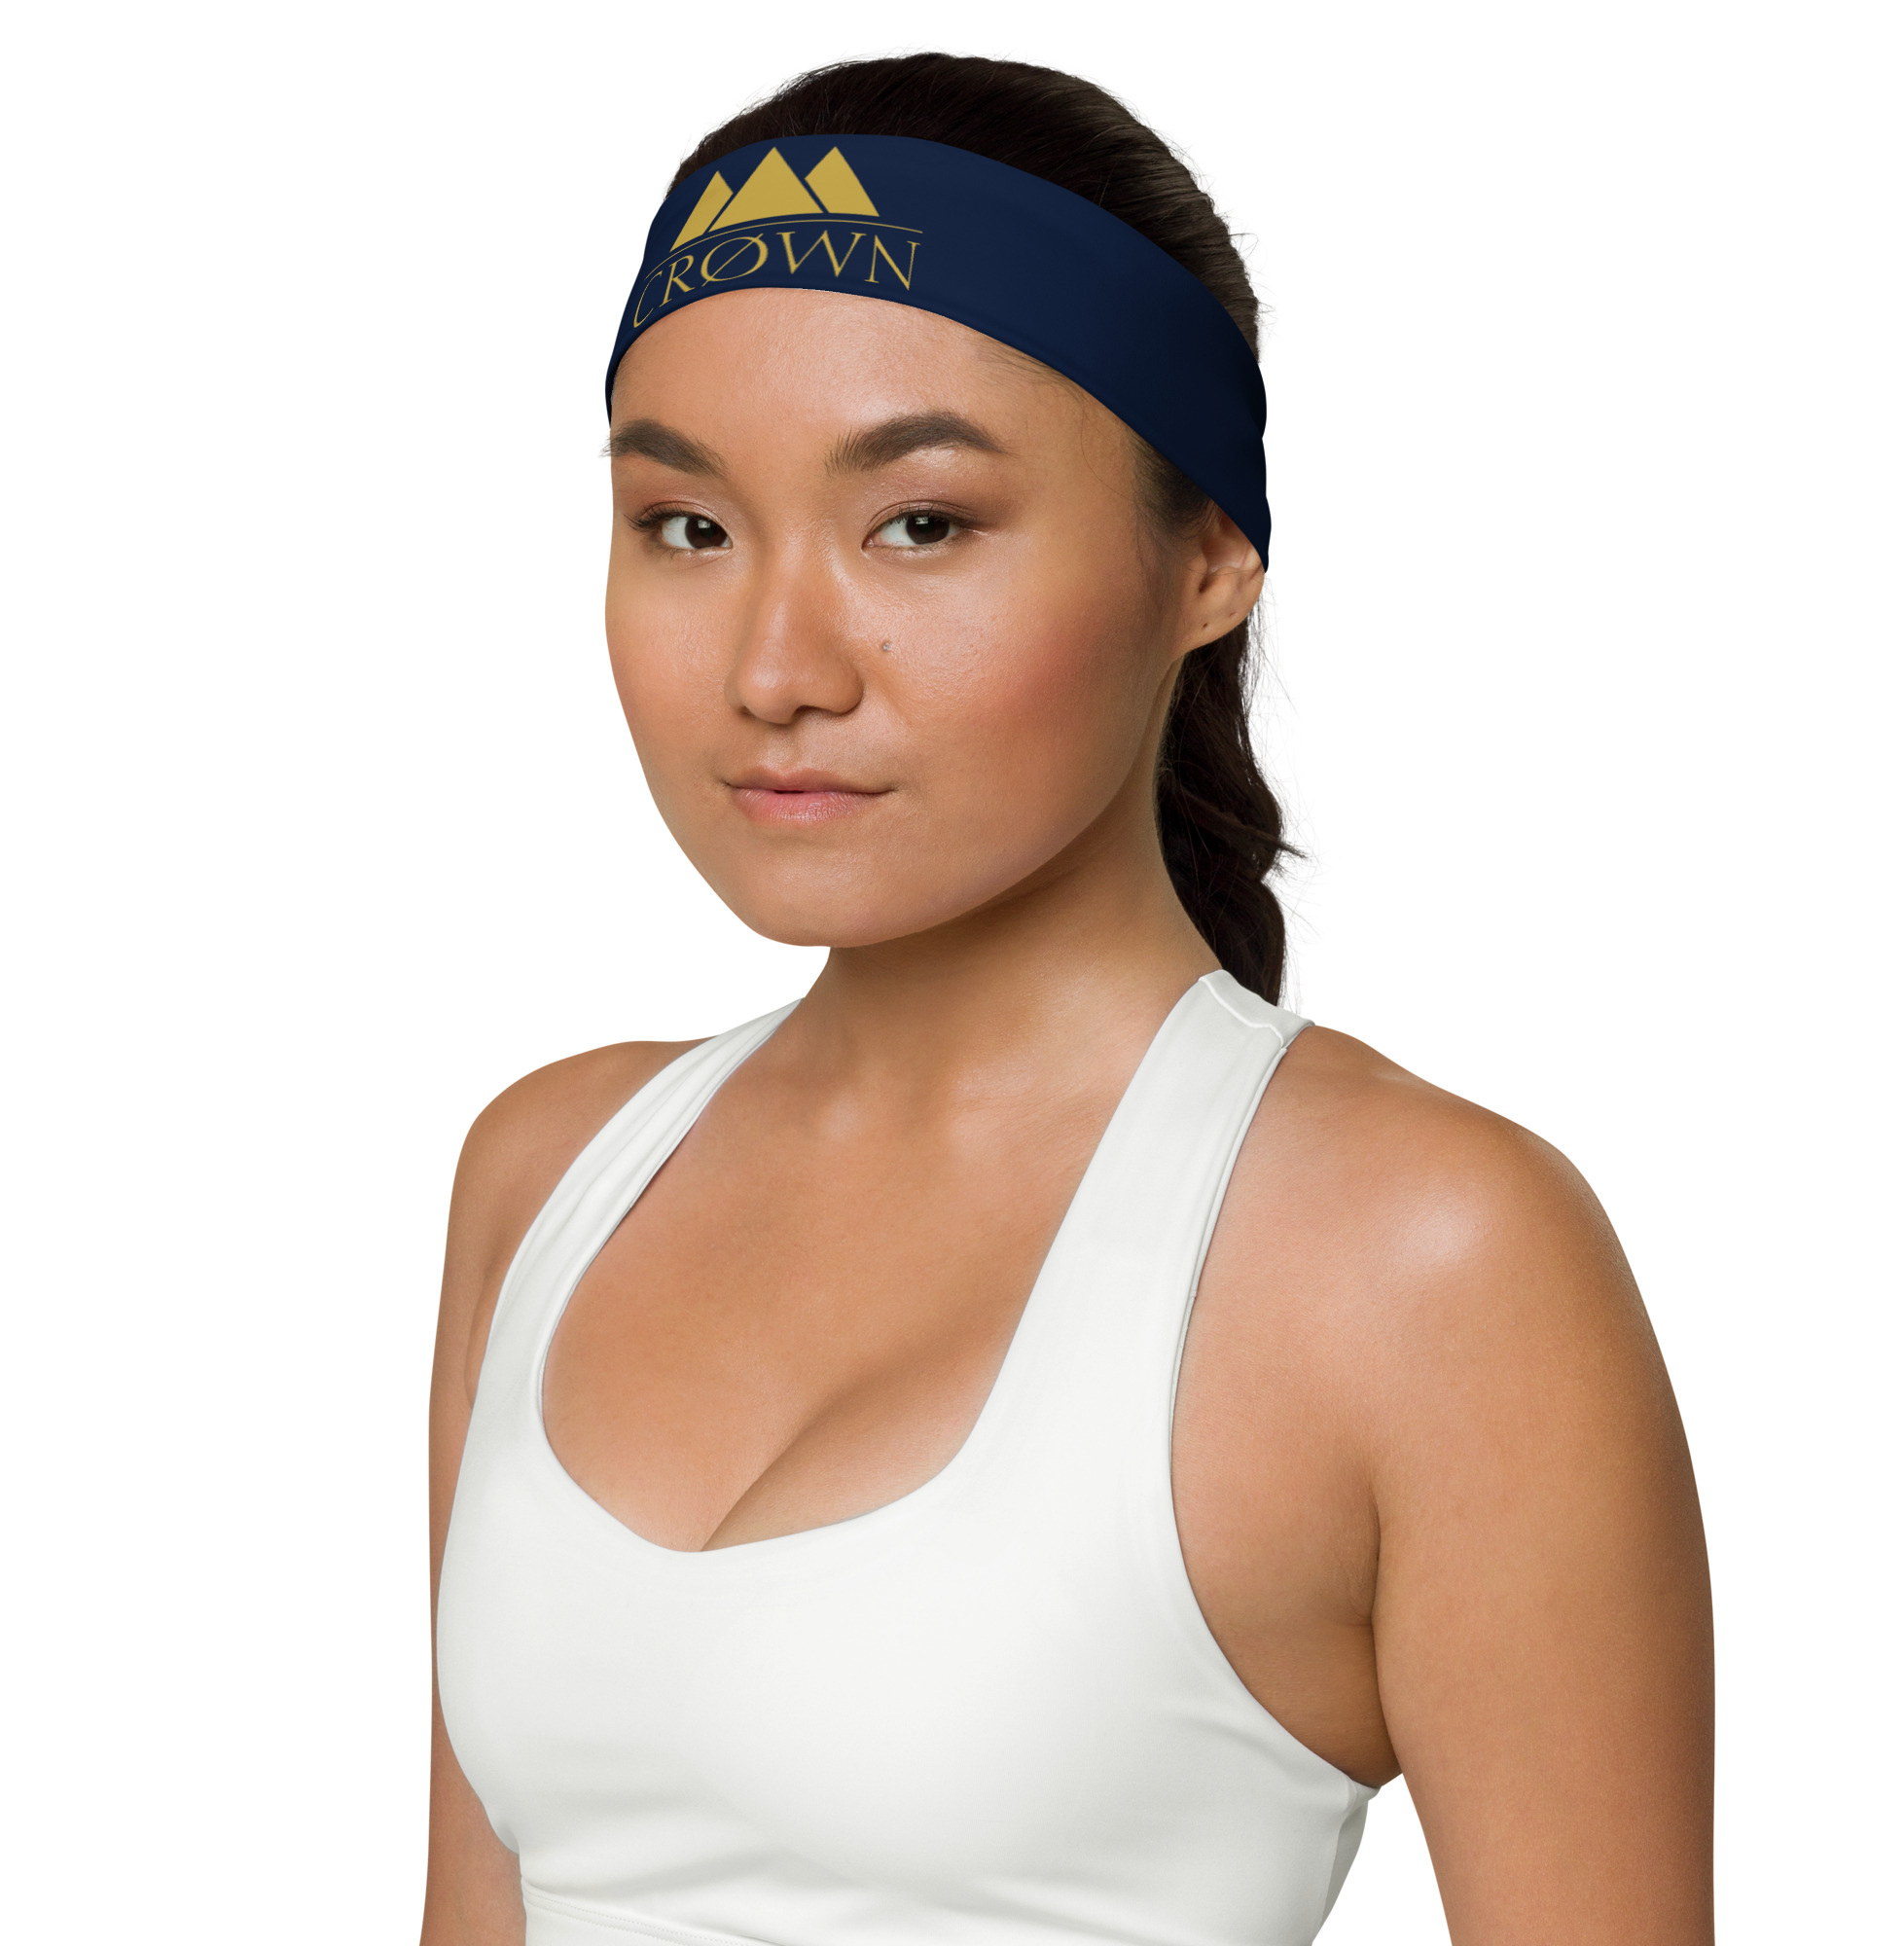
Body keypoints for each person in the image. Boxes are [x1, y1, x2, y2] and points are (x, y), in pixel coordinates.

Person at [421, 52, 1713, 1946]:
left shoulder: (1423, 1261)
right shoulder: (551, 1174)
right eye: (687, 526)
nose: (775, 668)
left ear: (1208, 560)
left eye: (921, 523)